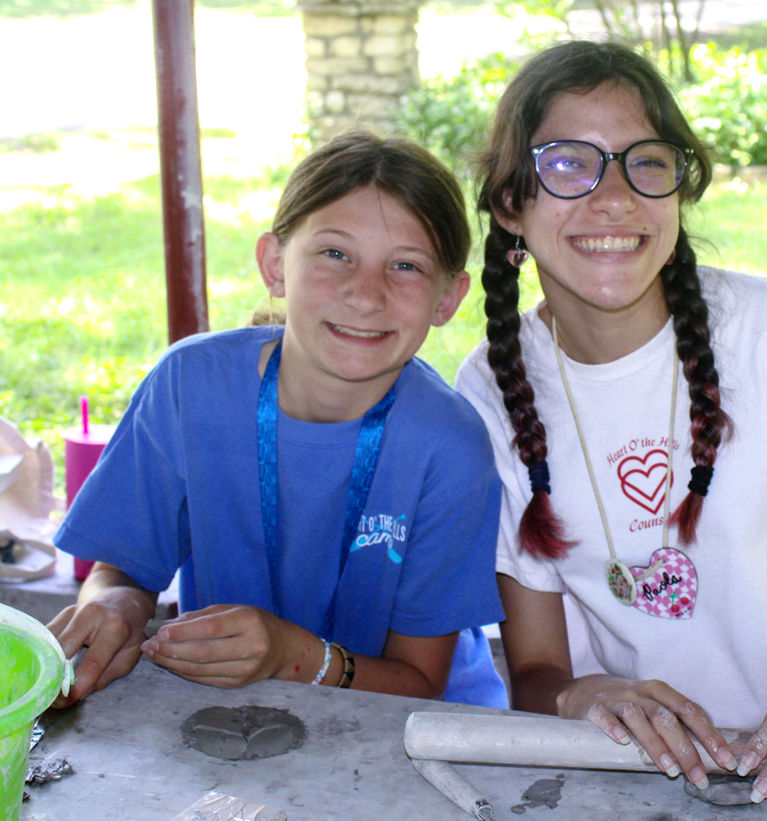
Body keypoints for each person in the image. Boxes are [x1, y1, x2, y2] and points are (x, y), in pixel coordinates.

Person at [455, 40, 767, 803]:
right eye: (570, 164)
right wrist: (584, 696)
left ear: (679, 187)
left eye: (646, 162)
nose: (614, 199)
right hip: (628, 782)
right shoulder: (488, 389)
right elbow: (537, 674)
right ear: (511, 204)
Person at [50, 131, 507, 710]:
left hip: (416, 727)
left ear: (448, 299)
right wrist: (115, 602)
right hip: (234, 711)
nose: (366, 295)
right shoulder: (191, 386)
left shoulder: (451, 445)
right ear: (275, 265)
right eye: (335, 253)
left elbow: (422, 684)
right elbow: (123, 569)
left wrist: (293, 656)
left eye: (406, 266)